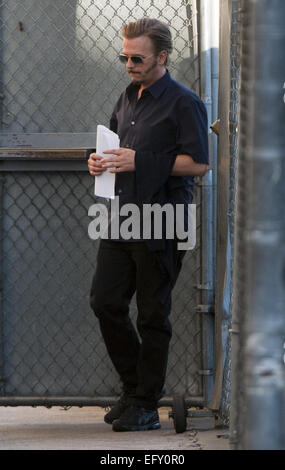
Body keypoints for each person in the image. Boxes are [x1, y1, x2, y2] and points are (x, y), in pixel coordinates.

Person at [87, 18, 209, 432]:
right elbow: (115, 145)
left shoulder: (184, 102)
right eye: (124, 56)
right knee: (105, 301)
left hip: (163, 220)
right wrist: (98, 158)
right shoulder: (128, 96)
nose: (128, 64)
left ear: (162, 56)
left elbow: (199, 164)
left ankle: (143, 403)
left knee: (153, 314)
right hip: (122, 215)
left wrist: (140, 161)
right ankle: (135, 389)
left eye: (137, 58)